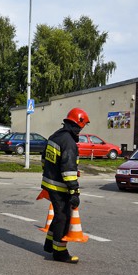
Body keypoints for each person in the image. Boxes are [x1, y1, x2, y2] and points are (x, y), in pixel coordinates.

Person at [41, 108, 90, 264]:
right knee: (64, 217)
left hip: (50, 182)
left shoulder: (55, 136)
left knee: (58, 215)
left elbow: (45, 160)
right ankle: (60, 252)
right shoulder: (69, 142)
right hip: (60, 186)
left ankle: (50, 244)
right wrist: (74, 191)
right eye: (81, 127)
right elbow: (68, 170)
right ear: (77, 124)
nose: (81, 130)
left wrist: (53, 172)